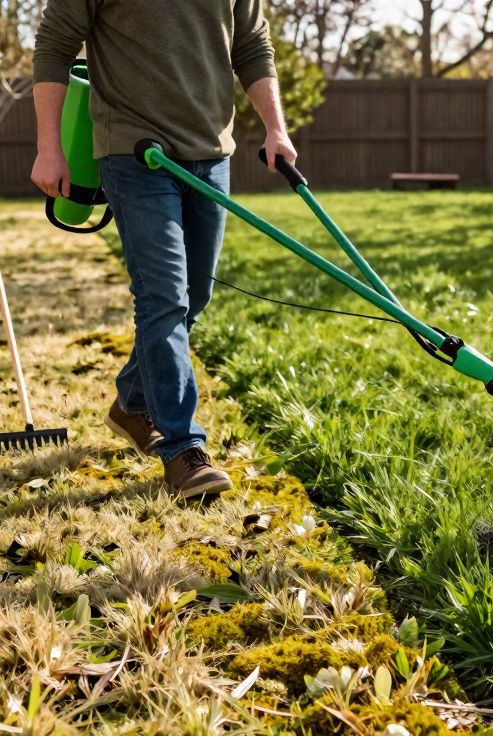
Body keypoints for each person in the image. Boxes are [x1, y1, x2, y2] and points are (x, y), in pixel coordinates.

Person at [30, 0, 296, 499]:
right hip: (135, 152)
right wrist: (50, 147)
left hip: (212, 153)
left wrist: (275, 127)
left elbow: (252, 45)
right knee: (164, 299)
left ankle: (132, 400)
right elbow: (55, 47)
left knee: (193, 298)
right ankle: (181, 450)